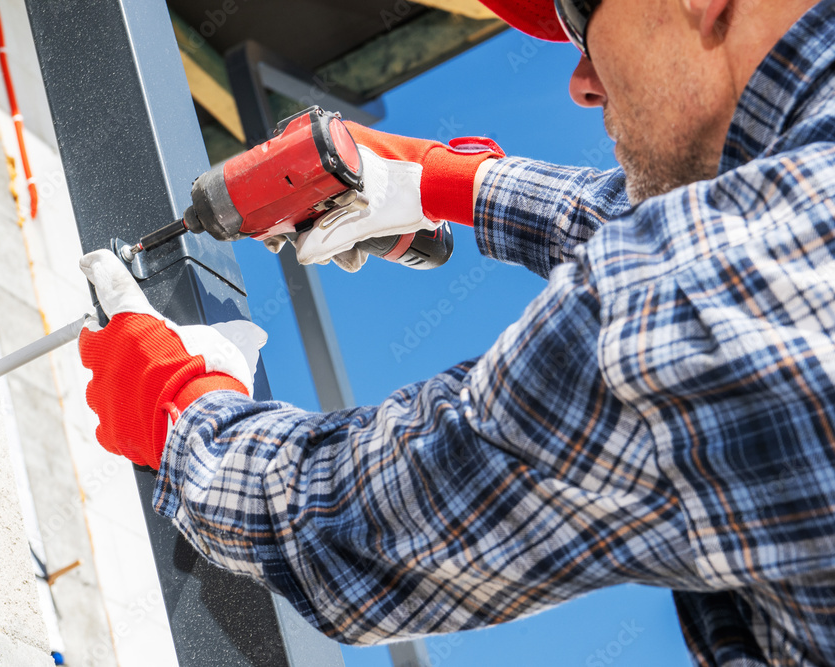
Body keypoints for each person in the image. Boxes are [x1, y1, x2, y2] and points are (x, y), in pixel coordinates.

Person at [77, 0, 835, 663]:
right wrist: (448, 181)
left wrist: (180, 408)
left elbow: (353, 521)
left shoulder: (710, 304)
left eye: (579, 20)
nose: (583, 83)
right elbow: (716, 227)